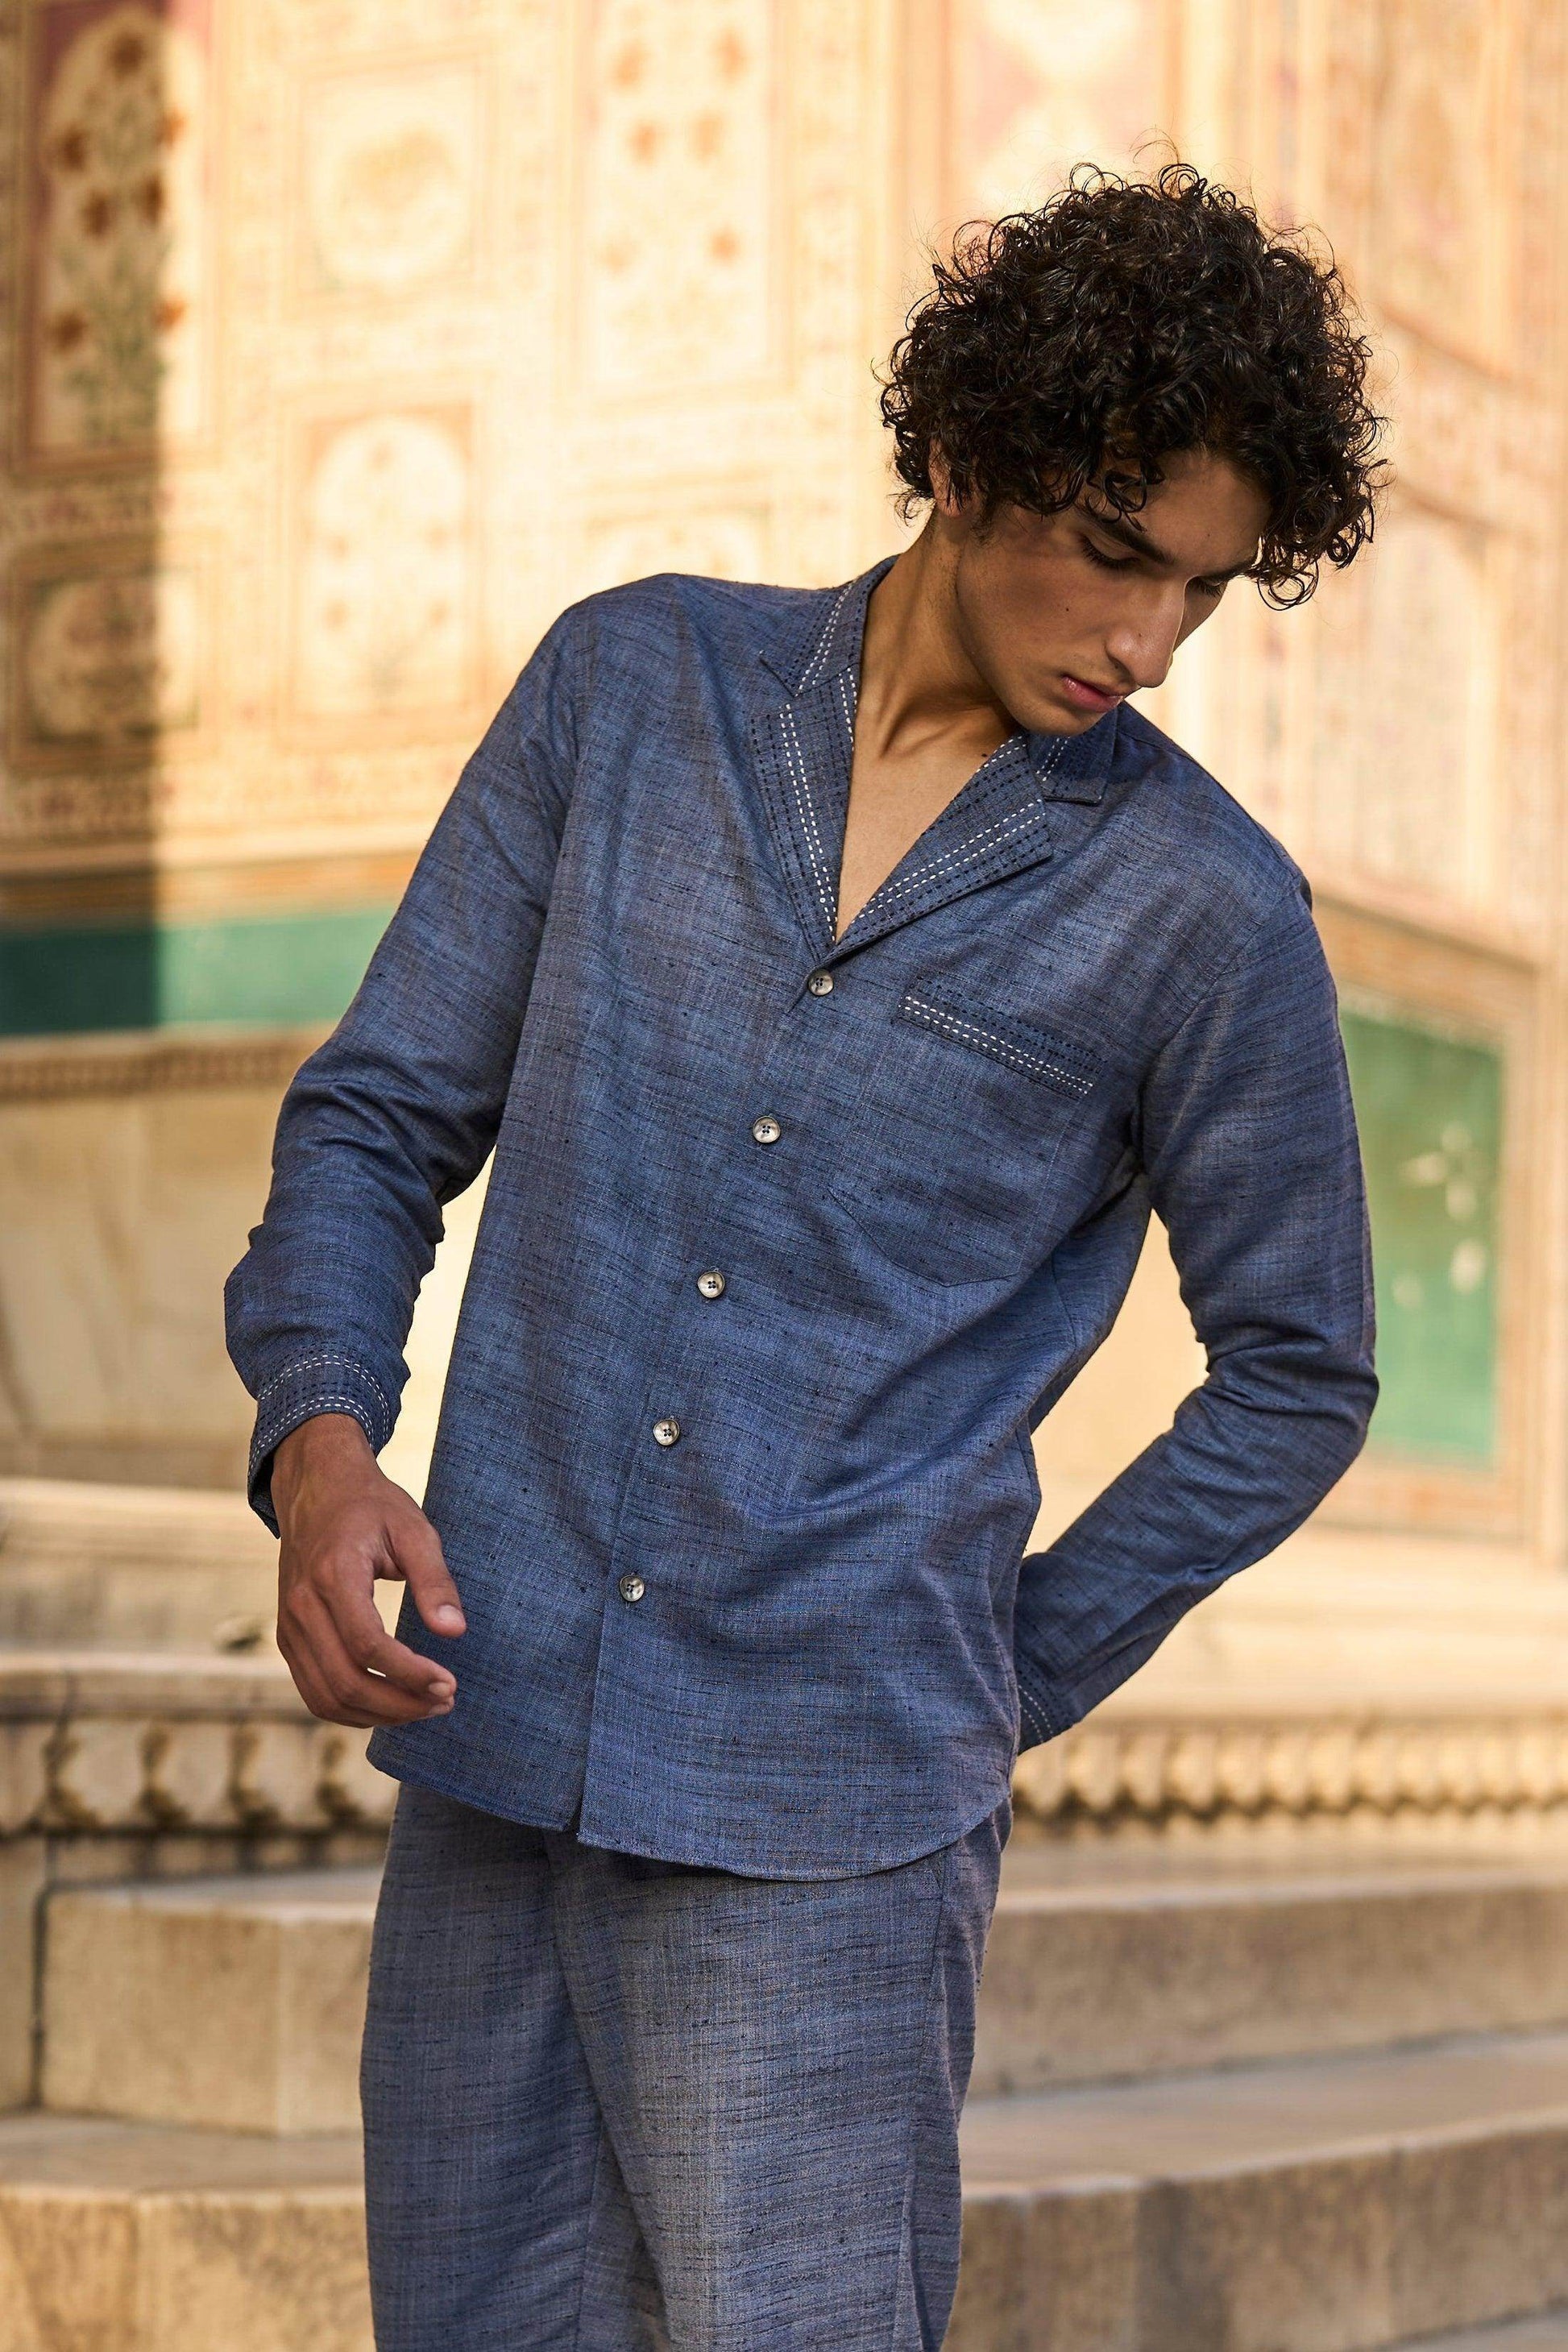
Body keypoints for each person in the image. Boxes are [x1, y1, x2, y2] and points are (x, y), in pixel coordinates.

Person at [227, 163, 1383, 2350]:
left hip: (830, 1825)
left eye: (1203, 591)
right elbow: (379, 1113)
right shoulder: (631, 687)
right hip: (495, 1726)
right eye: (1113, 549)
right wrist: (320, 1439)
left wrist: (1002, 1664)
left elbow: (1299, 1371)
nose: (1146, 643)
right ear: (960, 453)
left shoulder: (1201, 913)